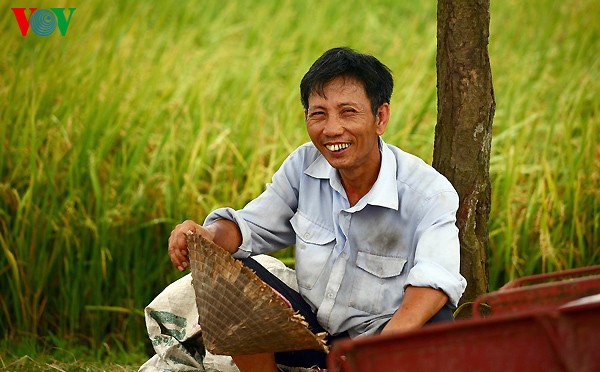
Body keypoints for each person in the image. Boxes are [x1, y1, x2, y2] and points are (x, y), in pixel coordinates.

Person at [167, 47, 467, 371]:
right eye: (319, 114)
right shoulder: (303, 165)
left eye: (348, 112)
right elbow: (250, 226)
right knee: (234, 280)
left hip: (387, 346)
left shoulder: (427, 193)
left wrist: (374, 355)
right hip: (317, 337)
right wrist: (205, 236)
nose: (332, 129)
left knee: (435, 322)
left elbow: (436, 281)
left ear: (380, 117)